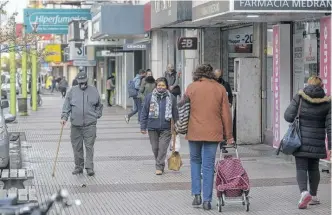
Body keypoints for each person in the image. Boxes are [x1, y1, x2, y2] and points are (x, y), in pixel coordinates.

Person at [185, 64, 233, 210]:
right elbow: (226, 114)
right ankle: (207, 200)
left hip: (194, 131)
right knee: (208, 165)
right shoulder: (220, 88)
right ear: (211, 74)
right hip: (213, 132)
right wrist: (229, 135)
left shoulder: (191, 87)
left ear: (197, 73)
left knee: (194, 161)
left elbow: (183, 108)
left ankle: (196, 194)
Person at [284, 75, 331, 209]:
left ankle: (304, 192)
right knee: (314, 168)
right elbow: (330, 125)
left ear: (308, 84)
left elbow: (287, 116)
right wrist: (331, 146)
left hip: (300, 140)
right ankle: (314, 196)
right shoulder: (327, 102)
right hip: (317, 141)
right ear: (321, 86)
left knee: (301, 168)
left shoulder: (300, 97)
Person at [60, 71, 103, 176]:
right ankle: (79, 167)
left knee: (89, 146)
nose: (82, 84)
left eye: (84, 82)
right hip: (76, 125)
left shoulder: (93, 90)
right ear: (77, 81)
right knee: (77, 147)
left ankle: (89, 168)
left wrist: (96, 115)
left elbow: (99, 105)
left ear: (87, 81)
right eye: (80, 82)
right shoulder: (72, 91)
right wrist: (64, 117)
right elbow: (67, 106)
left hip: (90, 125)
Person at [140, 77, 179, 175]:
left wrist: (177, 126)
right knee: (155, 148)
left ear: (166, 86)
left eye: (163, 85)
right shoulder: (149, 97)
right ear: (156, 86)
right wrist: (143, 126)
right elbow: (144, 112)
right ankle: (159, 162)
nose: (161, 87)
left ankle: (159, 167)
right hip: (152, 127)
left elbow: (175, 113)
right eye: (159, 85)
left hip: (166, 128)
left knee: (162, 148)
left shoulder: (171, 98)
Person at [214, 69, 233, 153]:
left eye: (219, 75)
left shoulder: (226, 84)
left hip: (223, 108)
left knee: (224, 126)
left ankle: (223, 145)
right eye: (216, 75)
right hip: (215, 110)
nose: (218, 76)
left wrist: (230, 103)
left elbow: (230, 95)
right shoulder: (212, 85)